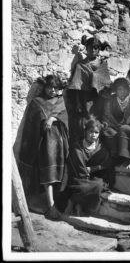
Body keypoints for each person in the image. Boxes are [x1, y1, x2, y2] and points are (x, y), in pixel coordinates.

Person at [16, 75, 69, 220]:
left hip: (59, 144)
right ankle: (50, 205)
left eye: (55, 88)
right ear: (44, 87)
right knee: (48, 171)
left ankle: (55, 203)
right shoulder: (36, 102)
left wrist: (53, 118)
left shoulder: (61, 102)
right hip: (42, 144)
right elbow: (30, 124)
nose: (52, 90)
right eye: (49, 87)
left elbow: (66, 118)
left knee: (59, 172)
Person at [55, 116, 115, 217]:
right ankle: (75, 204)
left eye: (96, 132)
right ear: (85, 132)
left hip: (95, 177)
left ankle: (78, 204)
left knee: (98, 185)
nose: (93, 135)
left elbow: (106, 164)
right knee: (80, 186)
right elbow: (77, 167)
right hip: (78, 177)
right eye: (91, 132)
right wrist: (85, 173)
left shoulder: (101, 148)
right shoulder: (77, 147)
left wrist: (93, 169)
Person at [65, 35, 112, 145]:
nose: (93, 50)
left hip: (99, 98)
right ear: (87, 49)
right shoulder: (80, 65)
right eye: (91, 47)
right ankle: (84, 147)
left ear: (98, 50)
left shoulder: (102, 64)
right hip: (85, 98)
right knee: (86, 122)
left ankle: (97, 147)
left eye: (96, 48)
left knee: (99, 121)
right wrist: (77, 103)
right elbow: (76, 86)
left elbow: (106, 82)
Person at [102, 77, 130, 156]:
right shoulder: (110, 100)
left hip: (128, 126)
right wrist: (115, 124)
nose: (122, 92)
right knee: (110, 133)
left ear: (128, 90)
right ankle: (113, 154)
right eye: (120, 90)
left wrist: (125, 124)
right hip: (113, 126)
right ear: (116, 91)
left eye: (125, 89)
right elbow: (107, 115)